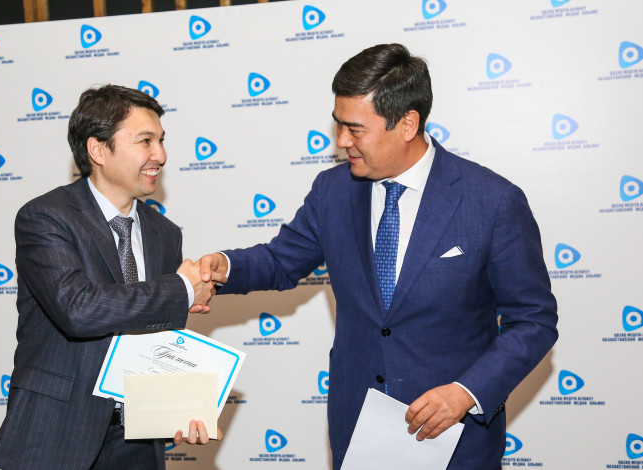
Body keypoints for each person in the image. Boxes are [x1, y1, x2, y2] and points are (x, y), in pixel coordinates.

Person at [198, 44, 558, 469]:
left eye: (355, 129)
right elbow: (280, 261)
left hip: (455, 440)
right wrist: (222, 266)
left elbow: (532, 321)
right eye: (338, 125)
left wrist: (466, 392)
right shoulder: (332, 191)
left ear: (407, 123)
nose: (341, 141)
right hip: (358, 431)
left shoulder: (491, 201)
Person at [0, 85, 219, 470]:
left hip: (138, 440)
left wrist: (179, 410)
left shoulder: (165, 233)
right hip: (59, 436)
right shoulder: (46, 217)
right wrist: (180, 289)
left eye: (161, 141)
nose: (160, 155)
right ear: (98, 150)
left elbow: (156, 339)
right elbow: (78, 310)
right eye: (145, 141)